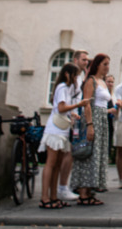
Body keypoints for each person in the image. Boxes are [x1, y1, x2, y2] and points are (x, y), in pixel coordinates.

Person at [39, 63, 86, 209]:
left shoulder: (67, 89)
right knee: (51, 163)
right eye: (75, 75)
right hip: (55, 130)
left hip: (63, 129)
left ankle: (53, 196)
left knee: (57, 165)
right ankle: (44, 197)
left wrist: (72, 112)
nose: (76, 78)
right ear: (67, 74)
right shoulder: (61, 87)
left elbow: (64, 108)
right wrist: (77, 106)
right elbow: (61, 108)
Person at [70, 53, 111, 204]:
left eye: (108, 64)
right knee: (88, 154)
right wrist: (90, 125)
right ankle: (83, 193)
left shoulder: (103, 82)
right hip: (93, 118)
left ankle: (90, 190)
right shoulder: (91, 81)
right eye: (105, 64)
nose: (107, 67)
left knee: (96, 154)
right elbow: (87, 103)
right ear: (98, 65)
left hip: (102, 120)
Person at [58, 50, 89, 201]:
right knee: (67, 154)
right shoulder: (69, 80)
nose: (86, 62)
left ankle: (65, 186)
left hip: (73, 118)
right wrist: (74, 111)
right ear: (75, 60)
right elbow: (65, 101)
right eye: (84, 60)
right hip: (66, 120)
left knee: (70, 153)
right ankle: (62, 187)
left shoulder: (80, 77)